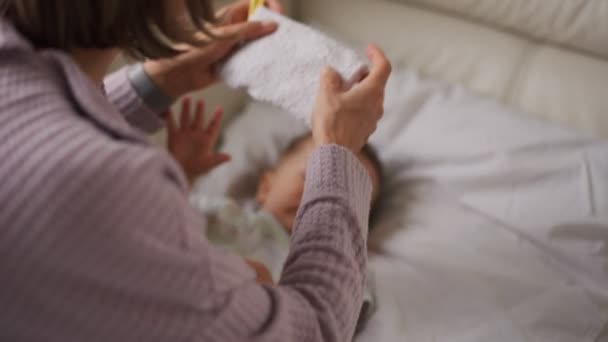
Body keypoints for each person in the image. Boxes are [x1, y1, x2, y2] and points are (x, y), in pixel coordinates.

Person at [0, 0, 392, 341]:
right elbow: (313, 332)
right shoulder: (110, 186)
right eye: (306, 178)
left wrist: (161, 80)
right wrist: (338, 153)